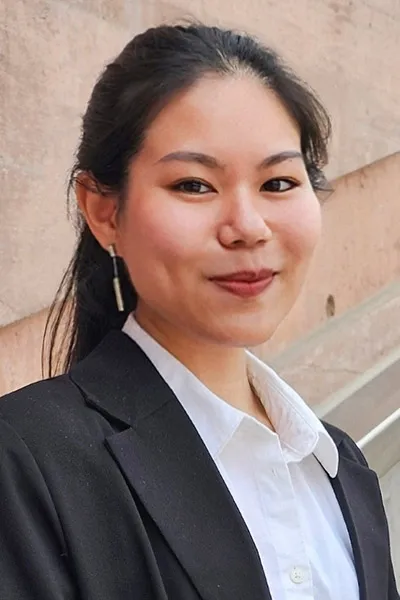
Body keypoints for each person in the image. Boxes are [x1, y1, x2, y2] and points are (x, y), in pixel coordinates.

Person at [0, 23, 398, 600]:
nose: (248, 227)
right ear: (104, 211)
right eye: (193, 184)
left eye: (278, 182)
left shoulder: (340, 468)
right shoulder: (27, 462)